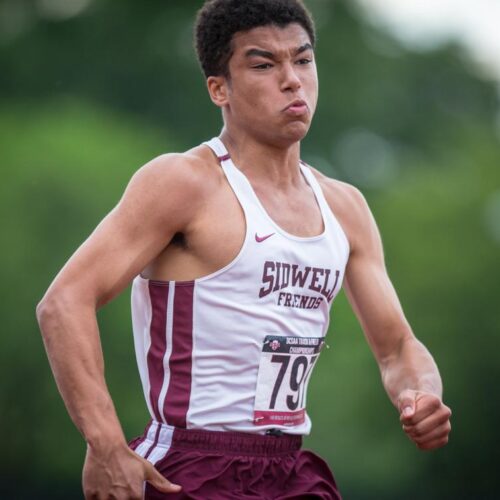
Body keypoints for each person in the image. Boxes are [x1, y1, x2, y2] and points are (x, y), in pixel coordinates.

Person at [36, 0, 452, 498]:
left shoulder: (346, 207)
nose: (292, 80)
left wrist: (420, 392)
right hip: (189, 467)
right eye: (263, 65)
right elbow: (63, 303)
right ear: (219, 89)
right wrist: (104, 443)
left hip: (292, 469)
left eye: (302, 60)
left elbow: (398, 347)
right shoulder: (183, 183)